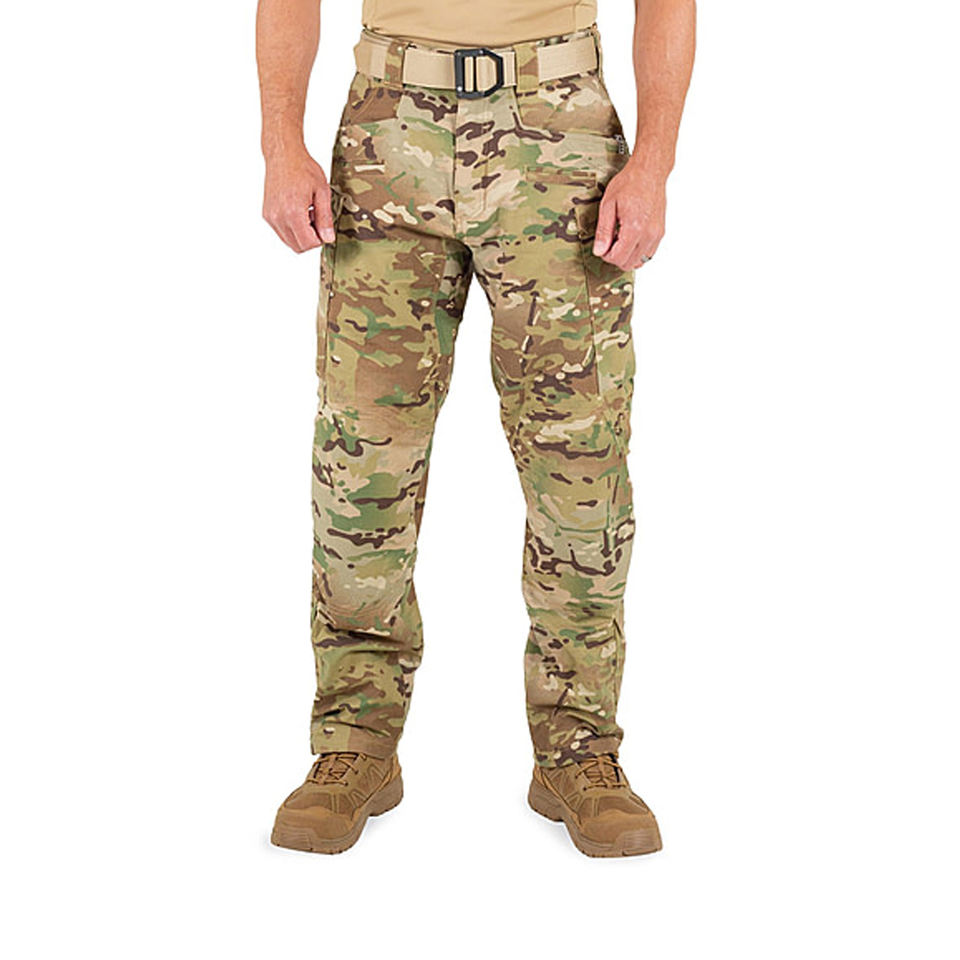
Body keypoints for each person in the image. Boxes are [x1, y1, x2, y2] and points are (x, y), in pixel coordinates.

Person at [256, 0, 695, 857]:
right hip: (388, 132)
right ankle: (355, 742)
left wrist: (654, 163)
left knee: (579, 465)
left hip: (559, 137)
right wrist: (280, 144)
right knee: (362, 465)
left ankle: (578, 750)